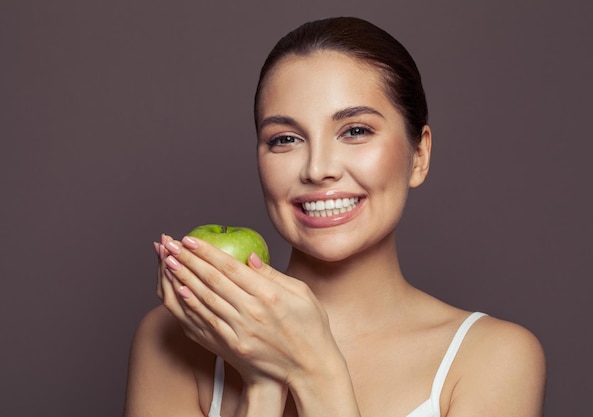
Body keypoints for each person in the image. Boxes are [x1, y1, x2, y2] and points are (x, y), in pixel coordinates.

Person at [124, 16, 546, 417]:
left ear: (419, 155)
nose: (317, 168)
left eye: (355, 131)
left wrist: (315, 370)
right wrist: (263, 383)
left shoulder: (493, 356)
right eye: (285, 139)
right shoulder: (174, 339)